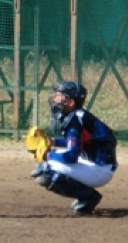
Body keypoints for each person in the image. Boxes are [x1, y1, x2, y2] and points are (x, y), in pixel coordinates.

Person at [30, 81, 118, 215]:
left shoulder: (75, 121)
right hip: (97, 164)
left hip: (98, 170)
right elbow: (75, 142)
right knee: (48, 162)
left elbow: (71, 156)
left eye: (60, 96)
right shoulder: (78, 116)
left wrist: (46, 154)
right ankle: (86, 195)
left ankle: (88, 197)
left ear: (70, 102)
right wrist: (52, 142)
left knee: (44, 171)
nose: (55, 99)